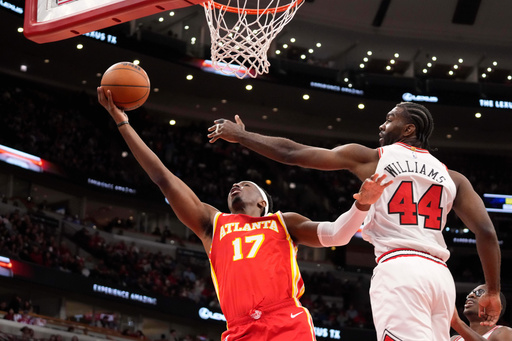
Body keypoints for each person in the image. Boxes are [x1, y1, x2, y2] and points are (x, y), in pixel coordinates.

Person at [97, 87, 391, 341]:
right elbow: (163, 177)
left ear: (263, 203)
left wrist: (362, 205)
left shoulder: (283, 222)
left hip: (285, 324)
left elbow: (338, 235)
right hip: (239, 330)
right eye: (233, 186)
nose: (236, 185)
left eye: (246, 184)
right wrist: (123, 124)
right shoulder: (213, 224)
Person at [208, 102, 502, 341]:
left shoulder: (372, 158)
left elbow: (292, 153)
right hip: (441, 277)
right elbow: (487, 232)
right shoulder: (453, 177)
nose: (382, 125)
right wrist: (492, 290)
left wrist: (243, 136)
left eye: (390, 119)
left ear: (409, 128)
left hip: (400, 269)